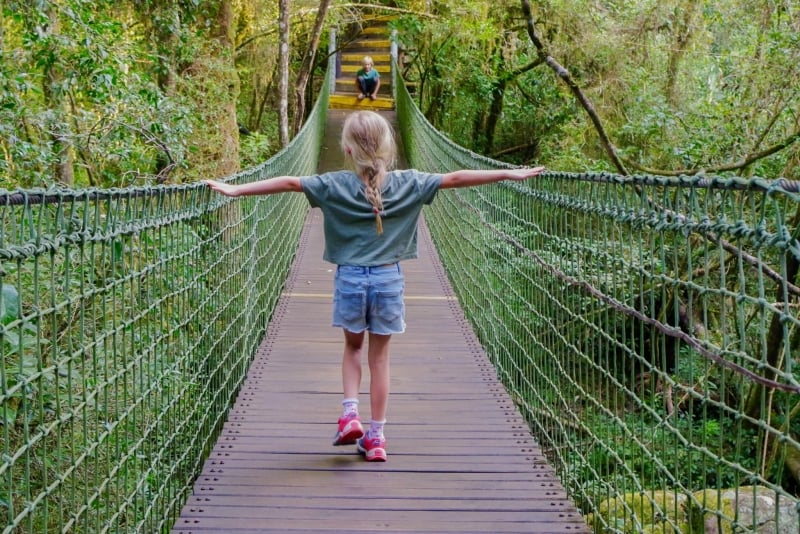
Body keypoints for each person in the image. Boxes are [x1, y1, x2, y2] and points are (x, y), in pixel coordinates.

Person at [204, 110, 545, 462]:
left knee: (353, 349)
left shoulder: (332, 185)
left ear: (348, 151)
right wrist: (508, 172)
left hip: (350, 278)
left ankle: (350, 414)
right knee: (379, 358)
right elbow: (456, 177)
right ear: (388, 147)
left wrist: (236, 189)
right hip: (388, 279)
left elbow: (291, 183)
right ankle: (376, 437)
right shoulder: (410, 183)